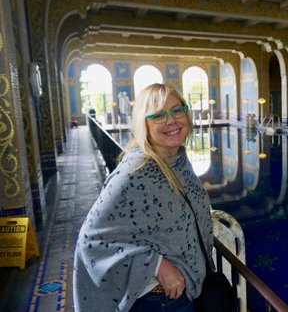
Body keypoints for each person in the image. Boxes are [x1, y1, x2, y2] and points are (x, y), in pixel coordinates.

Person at [73, 83, 213, 312]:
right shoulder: (137, 172)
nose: (171, 121)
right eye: (158, 115)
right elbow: (90, 241)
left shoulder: (177, 160)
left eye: (177, 110)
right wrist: (156, 265)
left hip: (185, 292)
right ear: (144, 123)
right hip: (160, 301)